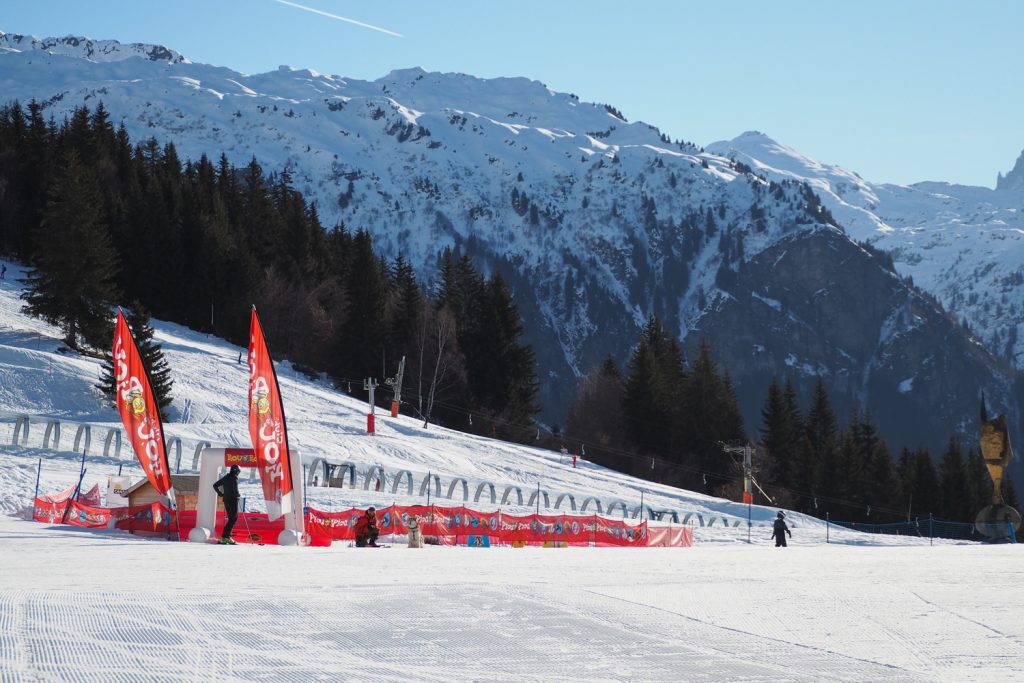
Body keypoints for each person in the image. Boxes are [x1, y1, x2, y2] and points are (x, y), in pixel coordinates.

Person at [213, 464, 241, 545]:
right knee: (233, 519)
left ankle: (226, 537)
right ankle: (226, 537)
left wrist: (221, 493)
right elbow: (235, 489)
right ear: (237, 471)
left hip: (226, 500)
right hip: (233, 500)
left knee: (231, 519)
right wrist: (237, 495)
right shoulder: (234, 478)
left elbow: (215, 485)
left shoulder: (226, 477)